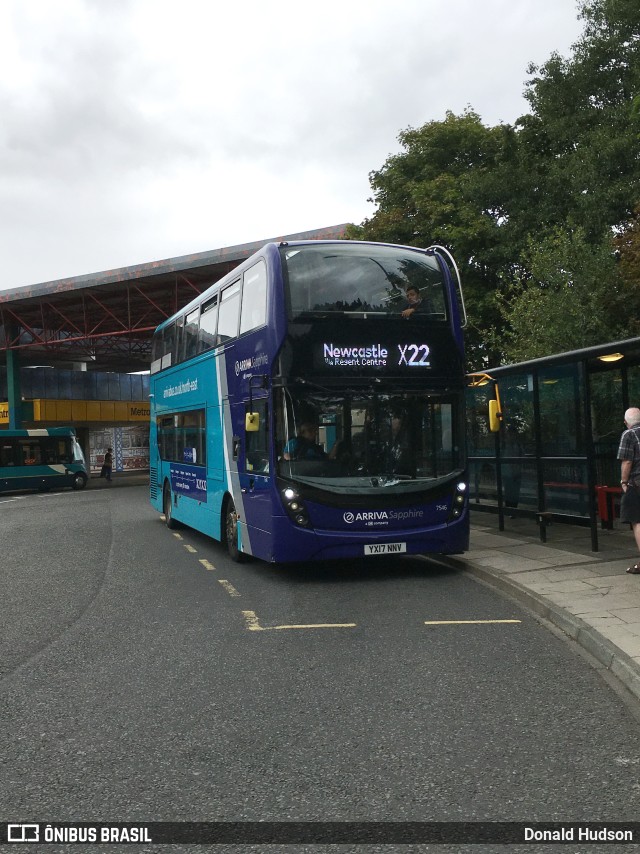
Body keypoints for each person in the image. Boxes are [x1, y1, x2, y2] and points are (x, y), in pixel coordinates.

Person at [618, 408, 640, 573]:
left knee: (637, 521)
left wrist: (624, 482)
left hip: (637, 483)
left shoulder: (629, 434)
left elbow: (627, 461)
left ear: (626, 423)